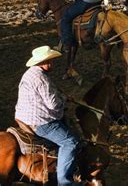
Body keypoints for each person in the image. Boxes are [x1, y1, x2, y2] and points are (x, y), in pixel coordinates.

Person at [15, 45, 80, 185]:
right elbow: (53, 105)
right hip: (40, 121)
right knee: (70, 142)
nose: (51, 64)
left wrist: (60, 95)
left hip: (23, 116)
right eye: (49, 61)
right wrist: (64, 99)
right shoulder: (41, 79)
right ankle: (64, 181)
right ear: (41, 62)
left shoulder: (30, 73)